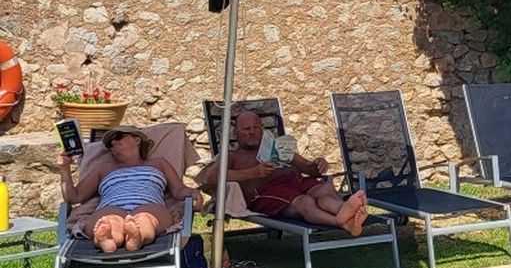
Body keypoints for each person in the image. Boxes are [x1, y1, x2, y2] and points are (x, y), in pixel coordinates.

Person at [198, 109, 369, 237]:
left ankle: (346, 212)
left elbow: (308, 168)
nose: (252, 132)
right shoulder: (232, 156)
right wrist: (254, 172)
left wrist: (318, 164)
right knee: (305, 202)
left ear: (262, 129)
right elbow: (209, 178)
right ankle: (339, 221)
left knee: (324, 190)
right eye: (246, 129)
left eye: (256, 127)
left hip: (295, 181)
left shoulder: (277, 147)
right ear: (236, 133)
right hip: (267, 192)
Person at [59, 127, 192, 254]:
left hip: (149, 205)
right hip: (111, 207)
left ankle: (137, 236)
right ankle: (107, 240)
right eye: (110, 144)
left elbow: (178, 190)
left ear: (137, 140)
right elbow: (74, 197)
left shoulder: (159, 163)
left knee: (145, 219)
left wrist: (192, 193)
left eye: (118, 137)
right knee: (109, 221)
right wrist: (64, 169)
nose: (113, 143)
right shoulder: (104, 168)